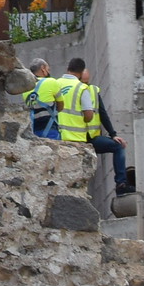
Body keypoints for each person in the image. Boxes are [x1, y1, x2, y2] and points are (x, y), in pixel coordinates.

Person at [54, 56, 130, 195]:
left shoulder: (55, 84)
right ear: (81, 72)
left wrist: (113, 134)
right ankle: (121, 183)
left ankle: (122, 184)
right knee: (118, 147)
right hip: (80, 137)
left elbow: (102, 113)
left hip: (64, 136)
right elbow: (93, 115)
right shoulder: (82, 88)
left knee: (117, 146)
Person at [24, 58, 60, 139]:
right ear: (43, 68)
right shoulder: (52, 82)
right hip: (50, 129)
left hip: (34, 130)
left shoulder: (26, 87)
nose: (49, 71)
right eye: (48, 69)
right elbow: (61, 106)